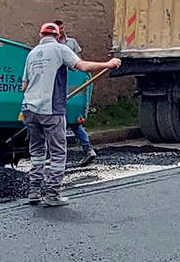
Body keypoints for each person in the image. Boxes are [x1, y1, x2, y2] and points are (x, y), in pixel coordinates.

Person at [22, 22, 121, 207]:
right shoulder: (60, 49)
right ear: (59, 36)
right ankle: (52, 194)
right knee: (58, 151)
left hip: (29, 108)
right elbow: (82, 66)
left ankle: (34, 190)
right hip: (51, 109)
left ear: (40, 35)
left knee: (37, 151)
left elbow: (24, 85)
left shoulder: (31, 54)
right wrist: (108, 64)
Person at [52, 20, 96, 167]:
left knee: (71, 122)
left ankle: (84, 150)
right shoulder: (51, 46)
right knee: (67, 123)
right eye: (59, 29)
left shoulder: (71, 43)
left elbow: (78, 63)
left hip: (69, 91)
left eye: (63, 28)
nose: (61, 31)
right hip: (58, 90)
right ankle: (84, 150)